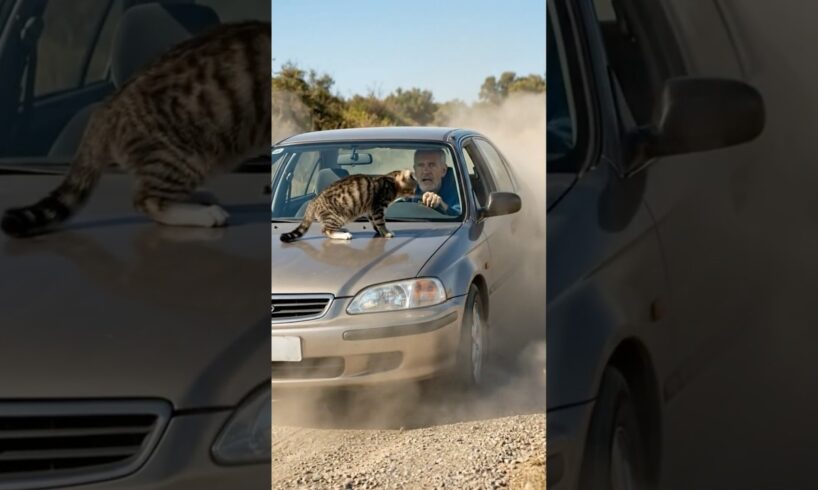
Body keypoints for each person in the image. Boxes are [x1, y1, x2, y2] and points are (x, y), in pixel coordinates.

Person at [412, 148, 460, 216]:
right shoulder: (406, 192)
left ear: (443, 170)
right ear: (415, 171)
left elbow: (462, 217)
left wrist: (443, 206)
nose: (426, 171)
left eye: (431, 165)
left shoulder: (460, 190)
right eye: (421, 165)